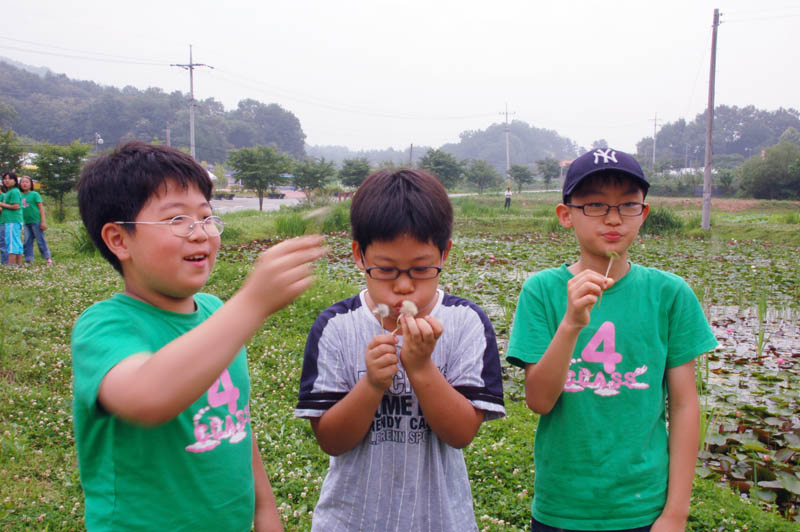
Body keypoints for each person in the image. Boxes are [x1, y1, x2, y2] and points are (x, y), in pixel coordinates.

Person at [71, 141, 326, 532]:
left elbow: (235, 423)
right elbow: (147, 397)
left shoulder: (214, 312)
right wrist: (252, 303)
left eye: (206, 217)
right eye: (177, 221)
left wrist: (265, 513)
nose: (200, 234)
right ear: (119, 240)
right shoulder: (104, 327)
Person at [506, 148, 717, 532]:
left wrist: (675, 513)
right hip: (563, 507)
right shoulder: (542, 291)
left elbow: (685, 406)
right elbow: (538, 400)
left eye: (628, 205)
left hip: (644, 507)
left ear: (644, 214)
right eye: (596, 205)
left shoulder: (669, 294)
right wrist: (571, 322)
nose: (614, 218)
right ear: (566, 215)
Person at [295, 168, 505, 531]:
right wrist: (372, 384)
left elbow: (461, 434)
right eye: (388, 270)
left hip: (440, 520)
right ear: (360, 256)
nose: (404, 287)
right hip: (352, 520)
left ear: (445, 253)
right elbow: (330, 440)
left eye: (421, 269)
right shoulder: (336, 326)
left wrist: (421, 368)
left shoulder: (465, 322)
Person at [19, 175, 53, 265]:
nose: (24, 184)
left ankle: (48, 258)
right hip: (27, 222)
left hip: (36, 221)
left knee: (40, 240)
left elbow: (41, 208)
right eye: (22, 182)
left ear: (31, 184)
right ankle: (28, 259)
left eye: (27, 182)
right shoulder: (19, 196)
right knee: (27, 241)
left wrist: (43, 221)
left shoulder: (35, 194)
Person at [0, 171, 24, 265]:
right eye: (5, 179)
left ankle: (10, 266)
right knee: (17, 243)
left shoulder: (14, 191)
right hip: (12, 220)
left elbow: (16, 206)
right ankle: (18, 265)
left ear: (15, 180)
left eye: (9, 178)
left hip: (12, 220)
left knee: (11, 244)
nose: (7, 181)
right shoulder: (9, 192)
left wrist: (1, 204)